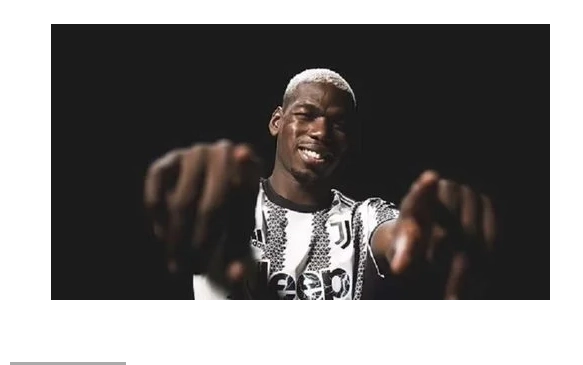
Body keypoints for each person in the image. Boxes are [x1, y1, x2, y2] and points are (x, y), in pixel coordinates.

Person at [143, 68, 496, 304]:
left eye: (338, 124)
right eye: (307, 114)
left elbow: (395, 234)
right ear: (277, 122)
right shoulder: (232, 203)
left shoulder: (363, 217)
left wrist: (424, 228)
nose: (322, 132)